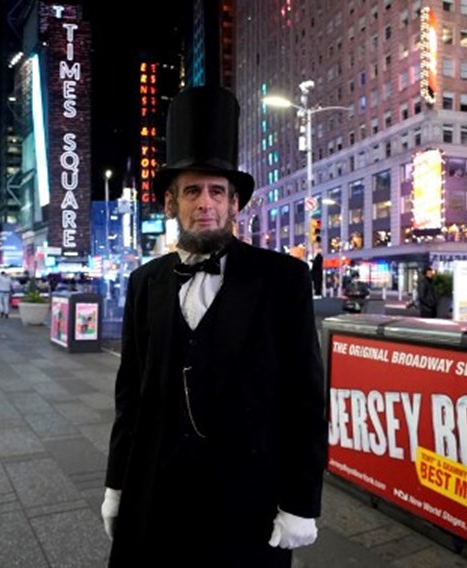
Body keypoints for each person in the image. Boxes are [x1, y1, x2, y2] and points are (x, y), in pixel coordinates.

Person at [101, 86, 327, 567]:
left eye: (217, 191)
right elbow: (131, 397)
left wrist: (301, 501)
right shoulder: (144, 283)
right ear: (170, 203)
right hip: (155, 494)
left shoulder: (282, 278)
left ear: (234, 204)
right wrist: (116, 485)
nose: (205, 203)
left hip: (247, 498)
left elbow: (305, 401)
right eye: (192, 191)